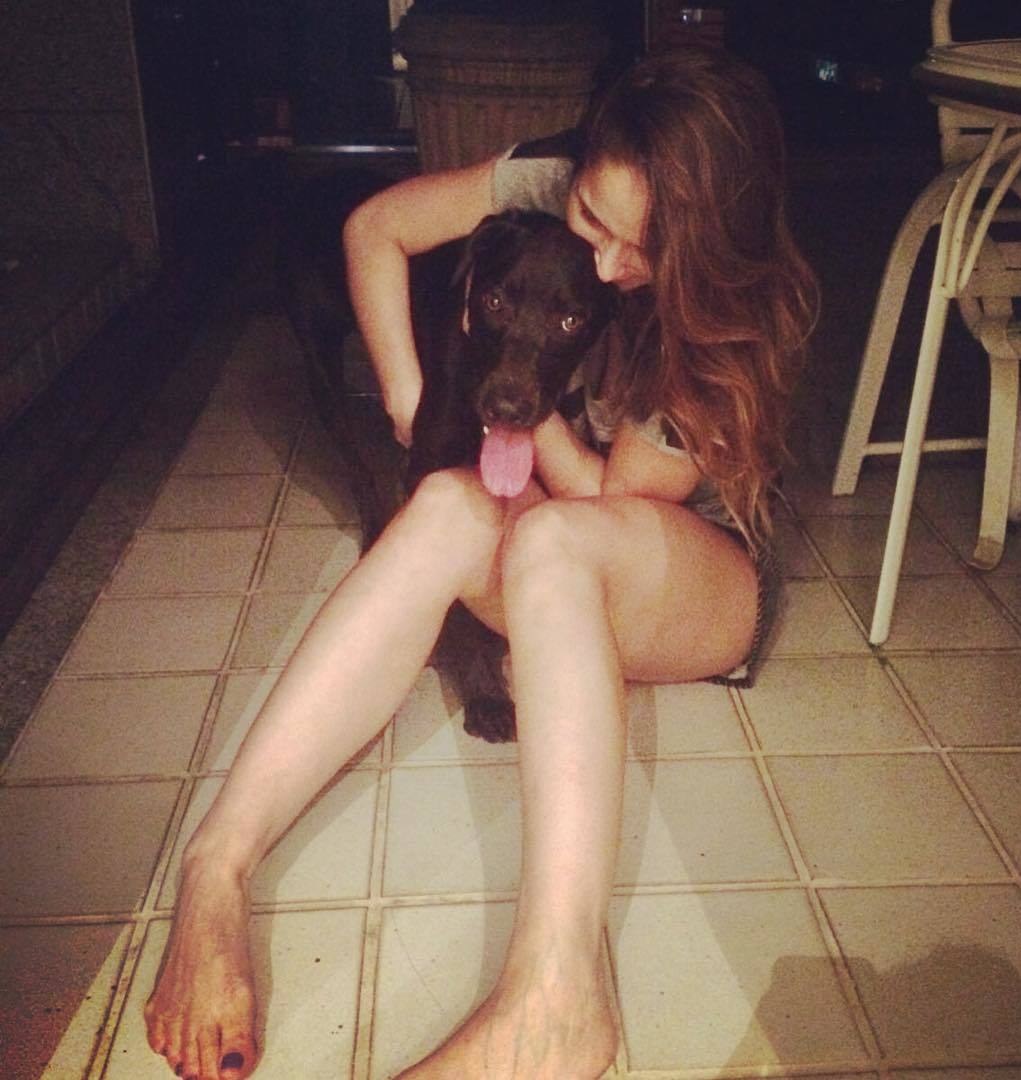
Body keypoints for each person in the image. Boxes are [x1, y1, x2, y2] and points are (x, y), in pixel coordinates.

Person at [144, 46, 817, 1080]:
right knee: (443, 504)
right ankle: (217, 863)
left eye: (643, 251)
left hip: (695, 579)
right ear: (578, 171)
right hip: (573, 545)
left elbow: (611, 506)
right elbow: (373, 229)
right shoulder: (552, 179)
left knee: (548, 535)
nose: (604, 265)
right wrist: (414, 397)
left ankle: (555, 1001)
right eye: (591, 219)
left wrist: (515, 404)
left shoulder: (723, 309)